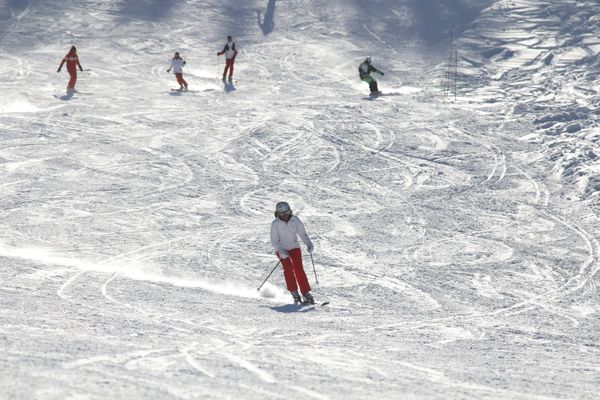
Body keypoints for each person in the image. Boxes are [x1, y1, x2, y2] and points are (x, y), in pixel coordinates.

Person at [270, 201, 315, 305]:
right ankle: (294, 292)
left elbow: (302, 234)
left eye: (287, 212)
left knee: (299, 269)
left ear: (290, 211)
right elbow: (274, 241)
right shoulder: (275, 224)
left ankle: (306, 293)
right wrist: (281, 251)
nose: (285, 215)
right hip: (281, 249)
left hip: (294, 247)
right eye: (282, 214)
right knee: (288, 269)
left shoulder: (295, 220)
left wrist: (309, 244)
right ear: (277, 213)